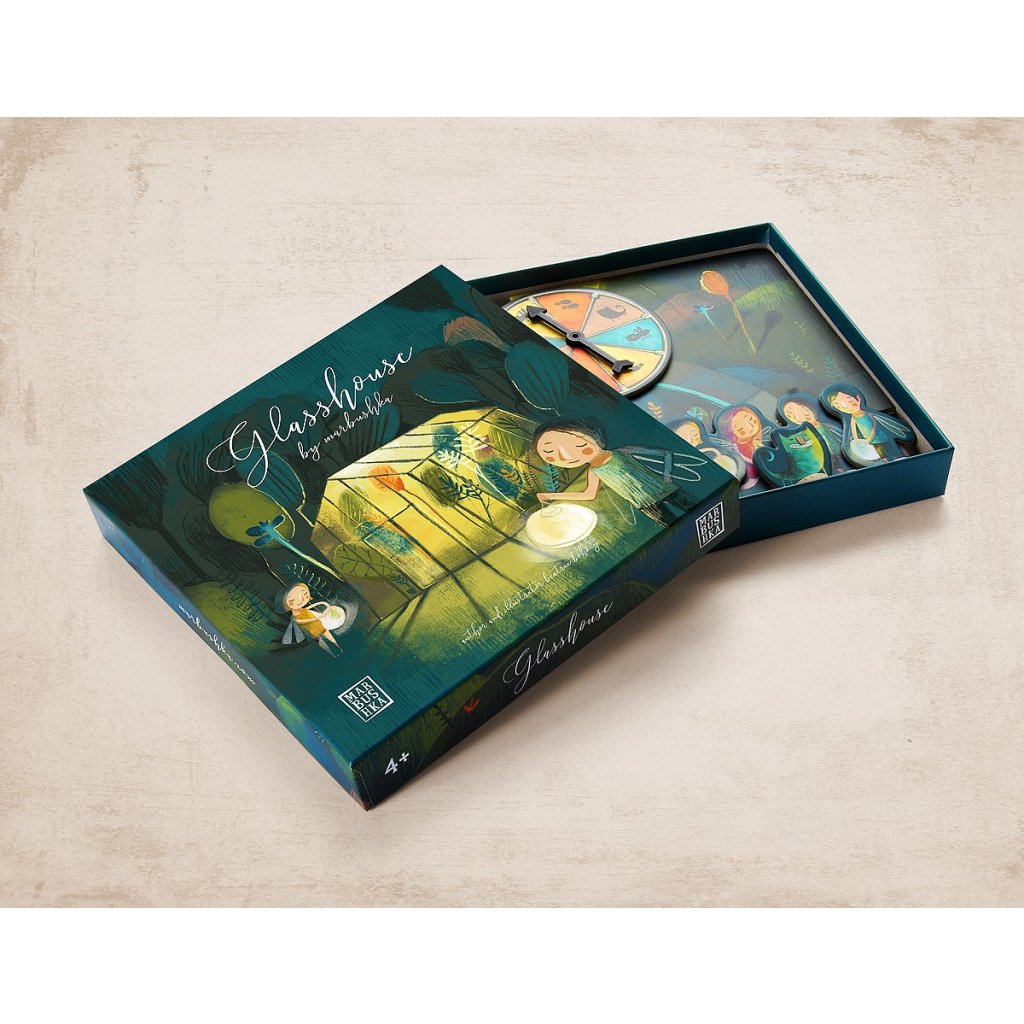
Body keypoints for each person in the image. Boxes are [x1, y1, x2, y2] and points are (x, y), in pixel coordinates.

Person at [532, 417, 678, 524]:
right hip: (646, 505)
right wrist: (550, 495)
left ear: (593, 434)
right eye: (550, 454)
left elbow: (666, 453)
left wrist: (667, 478)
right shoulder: (594, 471)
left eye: (577, 444)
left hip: (668, 491)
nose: (567, 456)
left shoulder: (621, 452)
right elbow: (588, 494)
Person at [276, 581, 342, 656]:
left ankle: (338, 647)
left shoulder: (305, 609)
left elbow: (313, 611)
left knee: (329, 636)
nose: (301, 599)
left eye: (304, 594)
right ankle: (332, 654)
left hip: (319, 625)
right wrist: (321, 616)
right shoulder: (295, 618)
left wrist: (323, 613)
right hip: (312, 632)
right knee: (321, 642)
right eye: (292, 600)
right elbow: (306, 621)